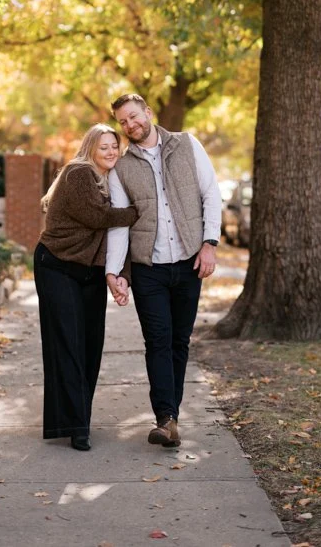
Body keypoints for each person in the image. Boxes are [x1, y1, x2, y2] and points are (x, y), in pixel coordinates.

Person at [105, 94, 221, 448]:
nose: (130, 125)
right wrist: (114, 272)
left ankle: (172, 415)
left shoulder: (187, 144)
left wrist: (209, 243)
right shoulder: (121, 168)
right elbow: (120, 225)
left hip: (189, 262)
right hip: (148, 269)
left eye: (134, 117)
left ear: (148, 113)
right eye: (123, 122)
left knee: (178, 342)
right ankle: (165, 419)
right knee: (157, 340)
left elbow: (211, 194)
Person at [34, 123, 137, 451]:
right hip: (57, 266)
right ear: (90, 148)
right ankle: (76, 426)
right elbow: (99, 217)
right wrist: (140, 211)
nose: (111, 152)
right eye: (104, 146)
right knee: (68, 343)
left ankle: (76, 418)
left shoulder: (110, 181)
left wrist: (123, 275)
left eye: (114, 146)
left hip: (88, 273)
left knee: (90, 346)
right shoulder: (78, 173)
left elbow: (118, 235)